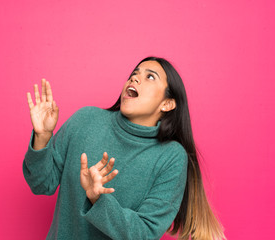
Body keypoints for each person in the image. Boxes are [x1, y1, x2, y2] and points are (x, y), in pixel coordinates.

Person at [23, 57, 226, 240]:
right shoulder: (85, 120)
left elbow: (144, 233)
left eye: (150, 77)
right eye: (134, 74)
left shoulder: (171, 157)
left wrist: (97, 199)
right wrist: (42, 137)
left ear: (167, 103)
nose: (135, 79)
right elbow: (41, 184)